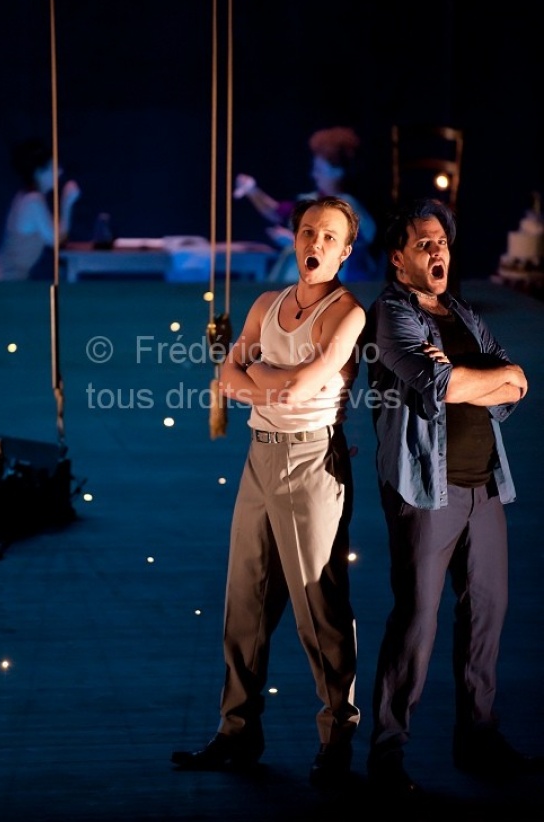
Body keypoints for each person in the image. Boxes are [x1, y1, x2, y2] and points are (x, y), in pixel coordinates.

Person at [171, 196, 366, 787]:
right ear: (294, 237)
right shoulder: (266, 303)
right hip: (260, 457)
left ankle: (338, 737)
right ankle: (237, 733)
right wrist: (265, 383)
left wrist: (258, 377)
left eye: (330, 237)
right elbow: (228, 379)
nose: (316, 244)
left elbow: (299, 387)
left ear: (345, 250)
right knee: (244, 605)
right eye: (309, 232)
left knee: (318, 608)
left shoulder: (347, 312)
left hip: (311, 462)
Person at [364, 196, 542, 799]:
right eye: (423, 244)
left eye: (441, 241)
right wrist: (480, 378)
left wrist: (488, 379)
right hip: (425, 490)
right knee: (416, 622)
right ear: (398, 259)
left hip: (486, 484)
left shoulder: (461, 312)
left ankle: (479, 738)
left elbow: (515, 385)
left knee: (487, 616)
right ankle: (386, 757)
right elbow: (436, 383)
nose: (437, 250)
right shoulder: (391, 314)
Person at [233, 125, 381, 282]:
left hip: (339, 283)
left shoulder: (349, 208)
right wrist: (252, 190)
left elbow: (341, 245)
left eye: (319, 169)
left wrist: (293, 240)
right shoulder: (314, 201)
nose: (314, 174)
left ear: (337, 172)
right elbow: (278, 212)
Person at [0, 137, 81, 281]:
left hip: (9, 278)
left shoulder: (30, 198)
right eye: (54, 168)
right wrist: (67, 203)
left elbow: (56, 233)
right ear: (38, 172)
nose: (60, 172)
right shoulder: (32, 201)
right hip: (2, 280)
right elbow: (57, 241)